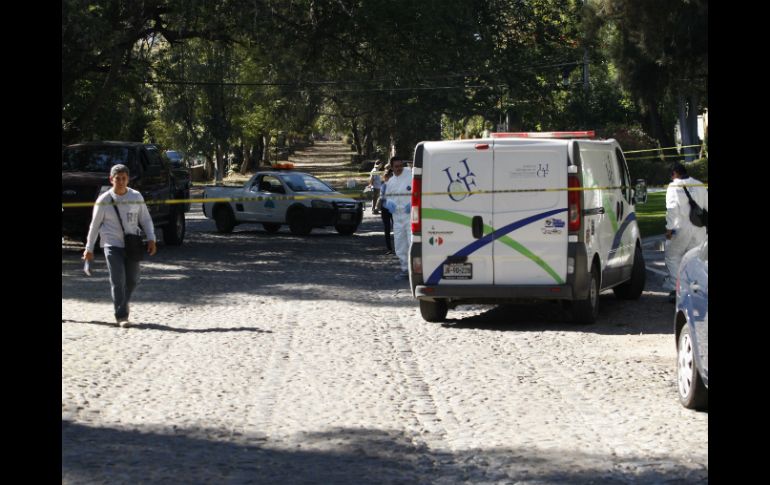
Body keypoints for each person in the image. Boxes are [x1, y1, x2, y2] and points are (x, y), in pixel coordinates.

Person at [82, 164, 157, 327]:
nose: (121, 182)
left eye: (124, 178)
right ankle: (121, 315)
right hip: (111, 245)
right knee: (118, 279)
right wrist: (89, 249)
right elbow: (94, 226)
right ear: (111, 180)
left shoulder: (136, 196)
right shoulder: (104, 200)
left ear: (128, 179)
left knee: (133, 280)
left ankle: (123, 302)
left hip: (132, 244)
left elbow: (145, 219)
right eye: (117, 179)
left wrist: (151, 238)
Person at [664, 162, 708, 302]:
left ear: (674, 173)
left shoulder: (673, 187)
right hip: (699, 228)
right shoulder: (699, 184)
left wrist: (669, 228)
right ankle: (697, 288)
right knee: (696, 259)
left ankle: (678, 289)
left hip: (680, 228)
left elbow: (672, 209)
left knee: (672, 257)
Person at [382, 157, 413, 280]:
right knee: (400, 244)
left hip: (410, 216)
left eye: (400, 165)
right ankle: (405, 269)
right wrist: (389, 204)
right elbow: (388, 197)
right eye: (396, 166)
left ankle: (414, 270)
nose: (399, 168)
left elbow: (419, 192)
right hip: (397, 217)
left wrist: (413, 204)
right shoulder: (390, 182)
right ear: (392, 167)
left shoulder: (410, 177)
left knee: (412, 242)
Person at [378, 169, 394, 254]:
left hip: (394, 209)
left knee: (397, 228)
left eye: (390, 176)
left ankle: (398, 247)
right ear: (385, 177)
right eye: (387, 176)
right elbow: (381, 197)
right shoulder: (383, 186)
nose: (389, 178)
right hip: (385, 209)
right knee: (387, 229)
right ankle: (389, 249)